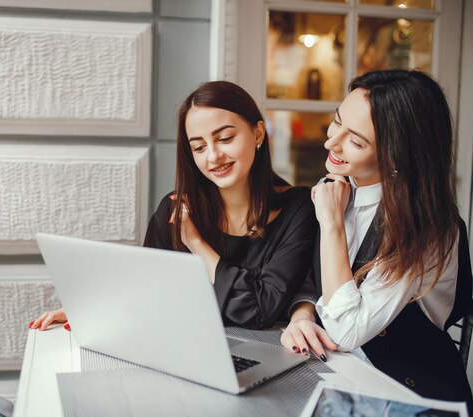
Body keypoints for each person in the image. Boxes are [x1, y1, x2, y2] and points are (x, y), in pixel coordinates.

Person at [32, 81, 331, 359]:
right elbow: (149, 290)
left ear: (258, 133)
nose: (213, 156)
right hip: (182, 353)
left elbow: (260, 310)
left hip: (266, 357)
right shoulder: (175, 210)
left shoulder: (298, 209)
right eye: (199, 147)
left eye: (225, 138)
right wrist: (98, 311)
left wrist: (198, 245)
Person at [281, 69, 473, 405]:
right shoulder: (341, 188)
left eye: (355, 141)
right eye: (336, 121)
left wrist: (332, 225)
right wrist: (302, 315)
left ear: (398, 155)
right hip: (339, 376)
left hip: (407, 397)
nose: (331, 142)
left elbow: (347, 331)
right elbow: (314, 279)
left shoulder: (426, 227)